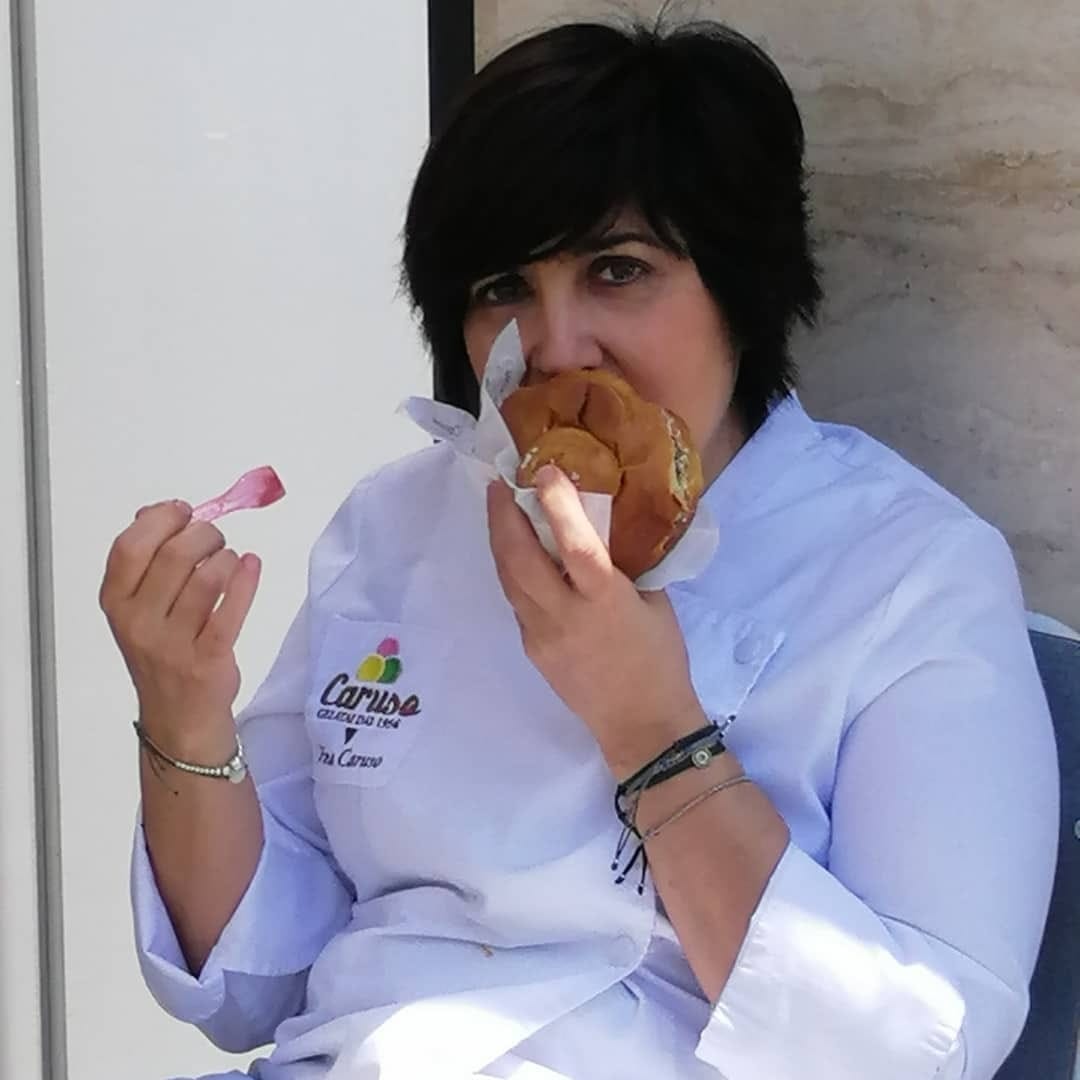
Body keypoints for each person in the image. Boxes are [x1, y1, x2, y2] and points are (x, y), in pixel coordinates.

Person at [100, 18, 1058, 1080]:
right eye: (503, 289)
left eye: (618, 269)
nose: (555, 347)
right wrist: (183, 714)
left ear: (742, 288)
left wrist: (653, 733)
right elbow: (254, 983)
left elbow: (924, 1050)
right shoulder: (398, 524)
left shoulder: (908, 571)